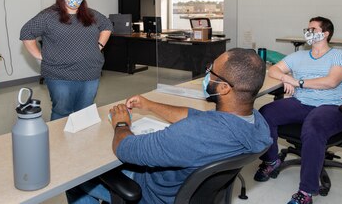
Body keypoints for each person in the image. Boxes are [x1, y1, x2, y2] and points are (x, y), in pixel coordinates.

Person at [66, 48, 273, 204]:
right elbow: (196, 117)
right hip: (192, 194)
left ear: (224, 88)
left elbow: (126, 149)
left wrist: (121, 123)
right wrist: (150, 105)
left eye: (212, 72)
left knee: (77, 177)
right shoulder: (257, 124)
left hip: (154, 195)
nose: (207, 74)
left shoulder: (193, 134)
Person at [253, 17, 342, 204]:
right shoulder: (299, 56)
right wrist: (284, 77)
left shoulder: (339, 55)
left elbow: (331, 82)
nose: (308, 32)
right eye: (307, 28)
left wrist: (296, 82)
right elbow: (273, 70)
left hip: (332, 105)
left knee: (313, 127)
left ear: (326, 33)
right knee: (266, 113)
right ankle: (271, 160)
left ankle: (306, 192)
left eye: (313, 29)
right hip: (302, 103)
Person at [20, 0, 113, 120]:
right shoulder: (49, 16)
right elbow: (26, 32)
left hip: (90, 73)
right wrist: (40, 55)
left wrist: (99, 45)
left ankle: (82, 142)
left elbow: (107, 25)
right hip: (60, 75)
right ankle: (60, 142)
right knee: (62, 112)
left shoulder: (91, 14)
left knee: (85, 113)